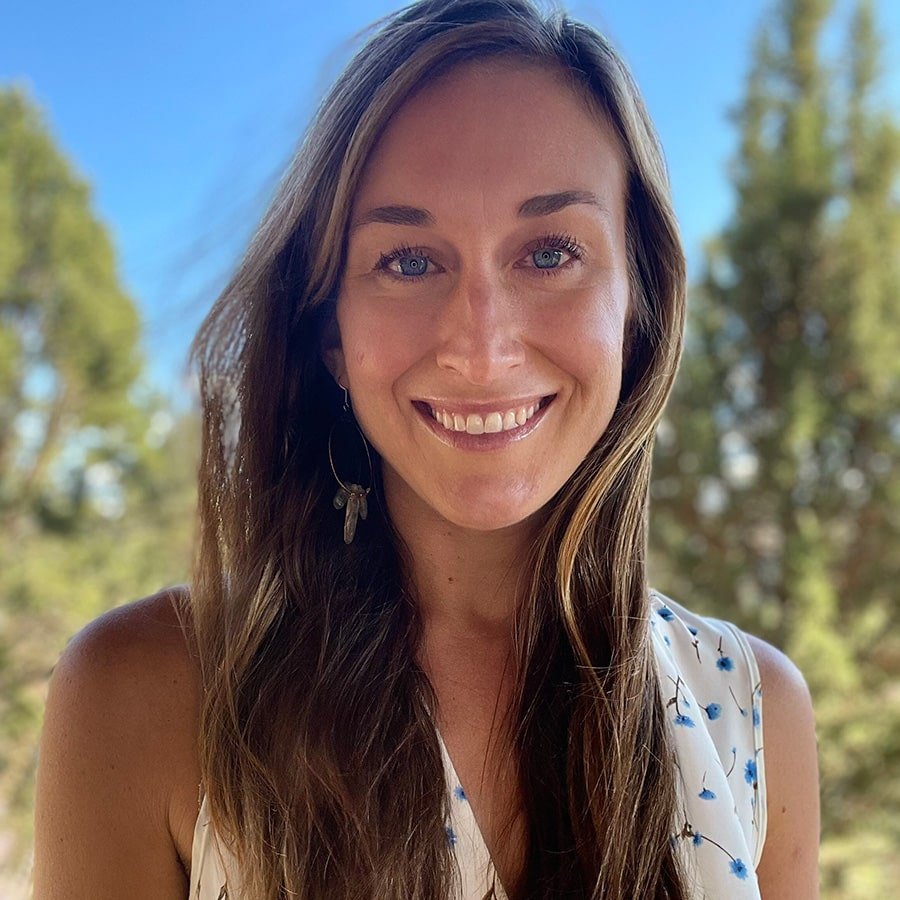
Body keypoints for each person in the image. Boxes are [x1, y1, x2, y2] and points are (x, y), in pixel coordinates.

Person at [31, 1, 820, 898]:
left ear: (638, 305)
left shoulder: (754, 713)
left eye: (551, 251)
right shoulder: (147, 698)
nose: (481, 347)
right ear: (329, 332)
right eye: (408, 261)